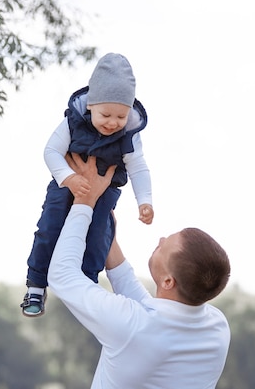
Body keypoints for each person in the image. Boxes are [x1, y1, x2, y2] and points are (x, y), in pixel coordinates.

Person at [48, 153, 231, 389]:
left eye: (165, 245)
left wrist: (85, 200)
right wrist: (107, 238)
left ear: (167, 281)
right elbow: (152, 315)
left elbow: (62, 275)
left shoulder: (133, 327)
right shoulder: (216, 327)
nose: (161, 239)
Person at [21, 53, 154, 317]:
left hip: (104, 194)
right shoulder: (73, 122)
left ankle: (87, 285)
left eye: (121, 116)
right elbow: (51, 151)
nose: (113, 123)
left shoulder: (129, 135)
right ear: (91, 105)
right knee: (49, 229)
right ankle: (36, 283)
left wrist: (145, 200)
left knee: (97, 241)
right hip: (64, 187)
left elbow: (138, 168)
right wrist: (68, 177)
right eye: (106, 114)